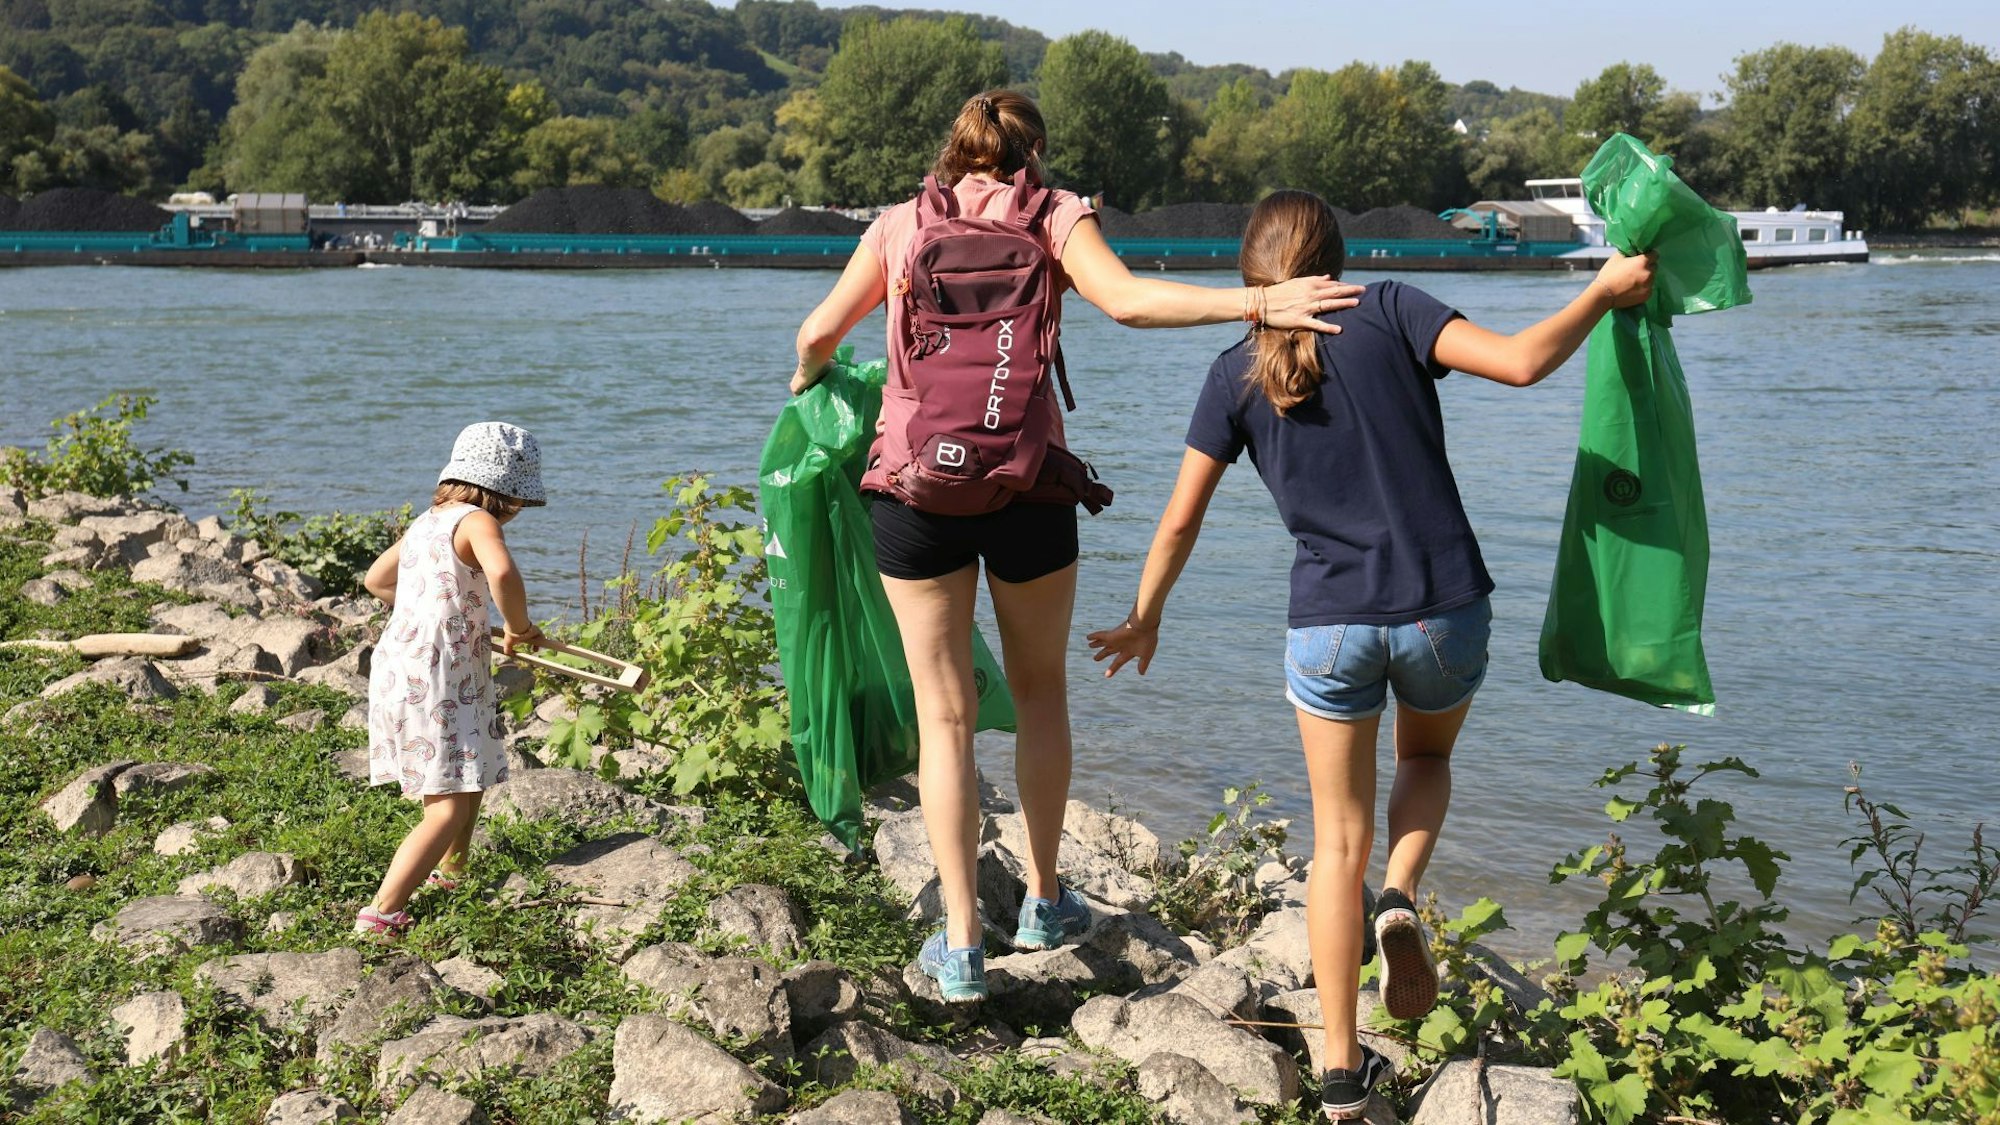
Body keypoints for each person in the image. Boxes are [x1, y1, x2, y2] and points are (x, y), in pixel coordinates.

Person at [1085, 190, 1655, 1118]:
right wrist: (1600, 291)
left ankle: (1343, 1082)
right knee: (1425, 758)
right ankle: (1401, 894)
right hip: (1442, 610)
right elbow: (1518, 364)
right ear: (1334, 261)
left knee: (1331, 841)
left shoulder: (1233, 371)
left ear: (1249, 277)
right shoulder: (1389, 307)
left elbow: (1182, 515)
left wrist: (1146, 615)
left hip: (1329, 625)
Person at [790, 90, 1362, 1001]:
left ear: (954, 154)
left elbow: (818, 332)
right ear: (1035, 155)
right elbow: (1129, 303)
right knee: (1041, 689)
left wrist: (812, 379)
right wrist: (1261, 303)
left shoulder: (899, 225)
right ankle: (1047, 898)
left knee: (945, 717)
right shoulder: (1056, 216)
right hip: (1028, 486)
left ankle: (963, 939)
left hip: (914, 492)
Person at [354, 422, 549, 937]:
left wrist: (436, 610)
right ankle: (382, 912)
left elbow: (376, 580)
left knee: (469, 771)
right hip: (439, 674)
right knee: (444, 807)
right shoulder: (479, 521)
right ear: (504, 492)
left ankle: (452, 871)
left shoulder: (425, 523)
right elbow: (503, 575)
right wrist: (518, 627)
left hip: (403, 663)